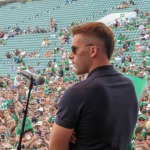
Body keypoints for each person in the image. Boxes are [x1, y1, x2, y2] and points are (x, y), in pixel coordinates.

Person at [49, 22, 138, 149]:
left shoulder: (78, 92)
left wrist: (68, 139)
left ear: (93, 50)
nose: (70, 56)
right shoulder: (128, 85)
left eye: (74, 49)